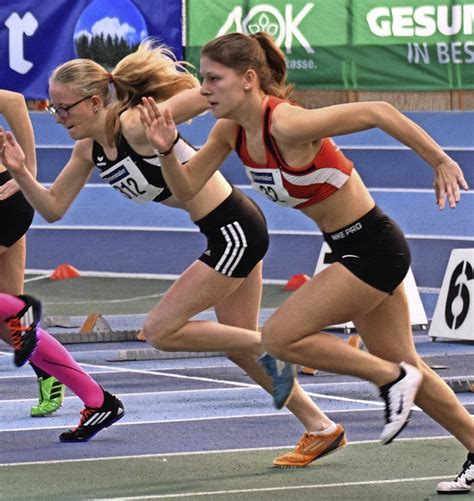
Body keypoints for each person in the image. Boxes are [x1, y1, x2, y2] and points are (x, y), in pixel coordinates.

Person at [136, 32, 474, 493]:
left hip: (372, 247)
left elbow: (380, 111)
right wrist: (165, 146)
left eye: (214, 79)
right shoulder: (230, 130)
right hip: (349, 247)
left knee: (279, 336)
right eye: (203, 80)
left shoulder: (288, 125)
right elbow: (188, 187)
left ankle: (392, 380)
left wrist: (438, 159)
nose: (203, 91)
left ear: (249, 80)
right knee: (403, 356)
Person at [0, 40, 347, 468]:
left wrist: (243, 72)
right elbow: (52, 209)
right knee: (240, 348)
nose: (58, 118)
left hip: (234, 231)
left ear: (93, 102)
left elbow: (203, 96)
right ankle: (320, 426)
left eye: (63, 108)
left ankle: (283, 341)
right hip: (226, 230)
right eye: (51, 109)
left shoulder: (133, 126)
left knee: (161, 330)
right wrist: (20, 173)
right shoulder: (88, 150)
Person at [0, 90, 65, 417]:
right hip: (9, 204)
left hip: (5, 197)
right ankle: (51, 371)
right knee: (8, 320)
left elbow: (11, 100)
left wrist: (28, 169)